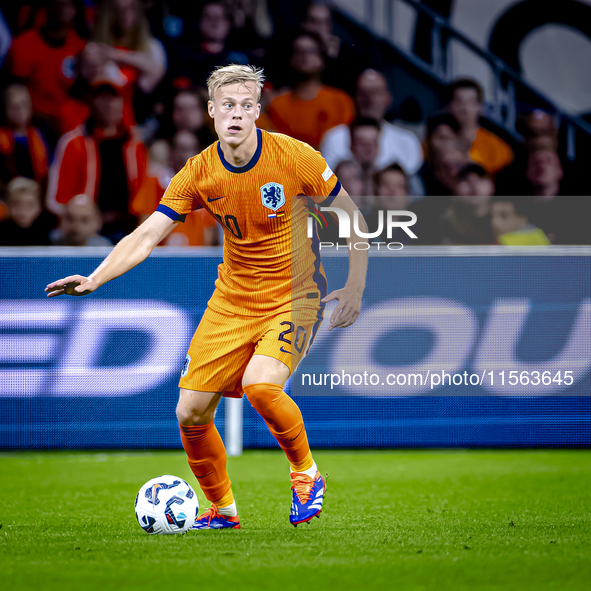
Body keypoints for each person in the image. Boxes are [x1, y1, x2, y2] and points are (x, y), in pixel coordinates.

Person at [45, 64, 368, 529]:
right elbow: (147, 234)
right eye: (227, 105)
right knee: (190, 412)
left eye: (245, 105)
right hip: (232, 301)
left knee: (261, 386)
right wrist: (96, 278)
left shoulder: (296, 157)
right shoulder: (198, 172)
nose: (236, 114)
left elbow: (353, 220)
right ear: (212, 111)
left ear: (257, 111)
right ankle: (223, 510)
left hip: (294, 296)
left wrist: (355, 285)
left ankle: (306, 473)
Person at [46, 77, 148, 243]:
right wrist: (82, 221)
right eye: (102, 97)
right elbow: (55, 200)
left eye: (113, 98)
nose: (108, 104)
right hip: (85, 231)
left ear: (122, 103)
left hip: (128, 229)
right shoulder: (72, 143)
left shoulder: (135, 145)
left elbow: (144, 193)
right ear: (91, 102)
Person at [7, 0, 88, 138]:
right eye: (60, 3)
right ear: (48, 6)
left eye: (69, 5)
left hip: (72, 125)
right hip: (34, 125)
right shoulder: (23, 46)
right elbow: (14, 94)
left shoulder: (81, 48)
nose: (64, 9)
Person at [319, 69, 424, 175]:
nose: (369, 99)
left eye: (376, 93)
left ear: (388, 98)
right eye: (363, 93)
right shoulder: (334, 138)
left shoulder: (407, 142)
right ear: (354, 98)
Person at [266, 32, 355, 149]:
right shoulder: (277, 104)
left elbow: (343, 145)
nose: (304, 56)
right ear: (291, 59)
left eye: (311, 51)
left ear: (322, 59)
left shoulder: (340, 101)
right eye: (298, 51)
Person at [89, 0, 168, 127]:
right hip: (99, 121)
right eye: (118, 9)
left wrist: (115, 54)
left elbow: (154, 70)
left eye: (130, 8)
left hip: (137, 121)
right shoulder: (95, 47)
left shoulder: (152, 47)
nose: (124, 14)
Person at [447, 78, 513, 175]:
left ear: (480, 107)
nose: (465, 109)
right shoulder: (438, 140)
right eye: (459, 102)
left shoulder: (496, 146)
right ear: (450, 106)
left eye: (470, 103)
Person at [0, 84, 49, 186]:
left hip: (36, 190)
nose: (19, 110)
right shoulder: (2, 137)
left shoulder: (42, 134)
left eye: (23, 104)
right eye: (13, 106)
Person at [0, 176, 57, 246]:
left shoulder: (52, 229)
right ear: (8, 205)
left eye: (30, 204)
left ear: (40, 206)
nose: (23, 210)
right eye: (16, 203)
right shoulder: (2, 230)